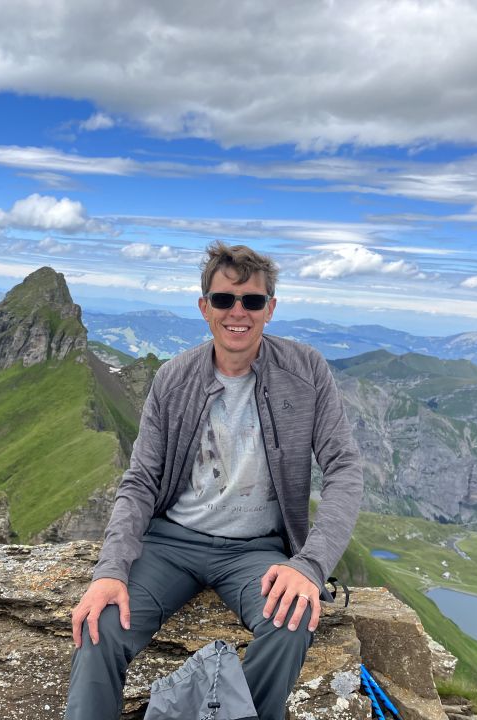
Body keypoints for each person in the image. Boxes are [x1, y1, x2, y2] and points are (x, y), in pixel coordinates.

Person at [65, 242, 363, 720]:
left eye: (252, 301)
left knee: (292, 620)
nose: (237, 312)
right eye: (224, 299)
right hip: (170, 543)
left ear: (270, 308)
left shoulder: (306, 370)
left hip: (256, 550)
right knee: (99, 626)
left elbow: (344, 468)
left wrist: (309, 566)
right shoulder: (173, 378)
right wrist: (110, 571)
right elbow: (140, 480)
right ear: (205, 307)